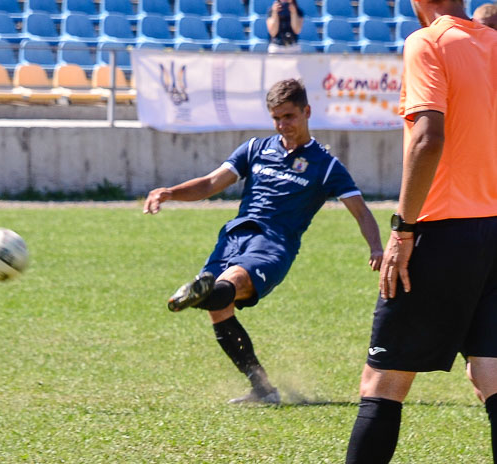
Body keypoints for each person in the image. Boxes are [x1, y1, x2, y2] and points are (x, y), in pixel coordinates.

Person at [143, 79, 384, 404]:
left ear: (306, 112)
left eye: (289, 116)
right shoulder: (256, 149)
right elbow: (212, 183)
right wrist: (169, 192)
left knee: (226, 286)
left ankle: (200, 292)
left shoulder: (326, 166)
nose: (283, 125)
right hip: (234, 236)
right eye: (276, 118)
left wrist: (376, 247)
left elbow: (361, 211)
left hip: (273, 244)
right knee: (217, 306)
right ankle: (263, 388)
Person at [345, 0, 497, 462]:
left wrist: (403, 230)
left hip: (442, 230)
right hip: (493, 229)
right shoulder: (493, 43)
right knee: (491, 374)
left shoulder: (427, 41)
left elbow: (429, 138)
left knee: (383, 381)